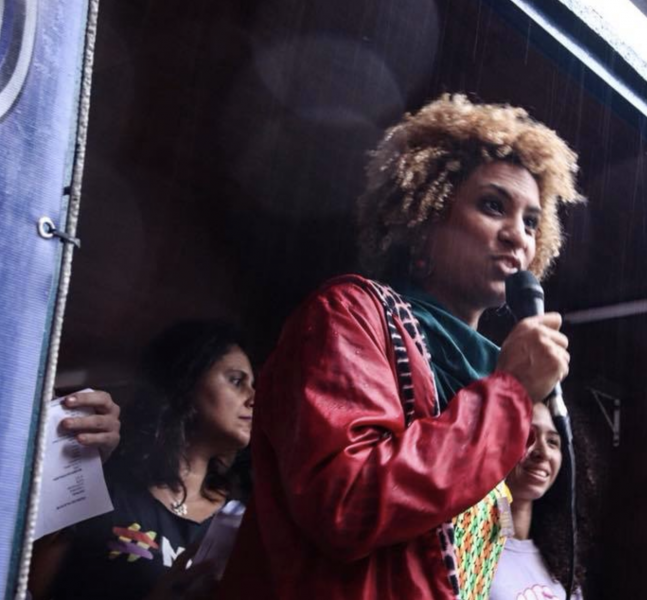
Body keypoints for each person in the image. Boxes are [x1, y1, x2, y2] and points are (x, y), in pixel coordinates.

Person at [220, 93, 584, 599]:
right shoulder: (349, 314)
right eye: (493, 206)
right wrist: (510, 394)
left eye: (530, 222)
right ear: (424, 218)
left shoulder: (492, 387)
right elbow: (345, 504)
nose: (517, 237)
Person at [29, 320, 255, 600]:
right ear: (185, 380)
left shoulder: (240, 525)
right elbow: (26, 588)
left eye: (253, 385)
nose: (253, 398)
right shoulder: (101, 481)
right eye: (236, 381)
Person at [489, 400, 588, 600]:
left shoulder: (561, 565)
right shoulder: (468, 551)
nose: (543, 452)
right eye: (528, 436)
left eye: (552, 441)